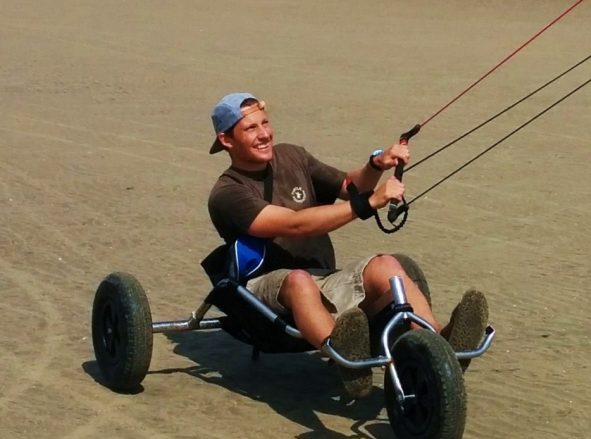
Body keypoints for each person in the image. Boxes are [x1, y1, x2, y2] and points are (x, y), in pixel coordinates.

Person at [207, 92, 488, 398]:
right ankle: (347, 359)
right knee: (298, 281)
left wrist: (376, 164)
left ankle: (439, 350)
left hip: (321, 277)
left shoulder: (290, 156)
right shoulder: (227, 193)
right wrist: (369, 203)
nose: (264, 134)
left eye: (265, 123)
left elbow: (348, 186)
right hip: (262, 293)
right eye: (250, 129)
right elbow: (294, 224)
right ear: (226, 140)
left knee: (387, 265)